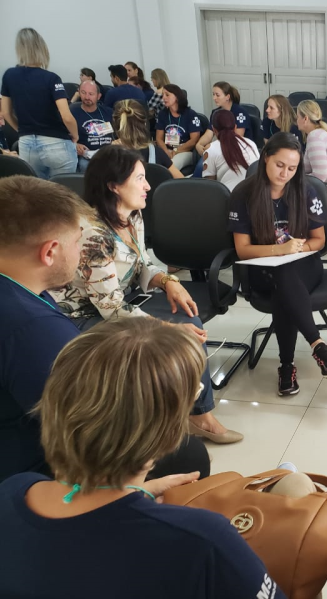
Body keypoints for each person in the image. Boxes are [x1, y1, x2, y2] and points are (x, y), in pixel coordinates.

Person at [0, 317, 327, 599]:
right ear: (167, 434)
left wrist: (138, 493)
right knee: (296, 488)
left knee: (290, 482)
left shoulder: (14, 492)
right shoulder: (203, 541)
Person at [0, 175, 209, 484]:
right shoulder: (35, 329)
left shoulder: (22, 293)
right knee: (188, 454)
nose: (80, 253)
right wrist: (170, 395)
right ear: (50, 252)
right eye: (77, 243)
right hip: (29, 472)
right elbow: (93, 430)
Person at [50, 145, 239, 444]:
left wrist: (168, 281)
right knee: (173, 336)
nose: (148, 185)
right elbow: (110, 309)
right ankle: (171, 420)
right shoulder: (93, 235)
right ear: (113, 186)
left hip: (118, 304)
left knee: (190, 320)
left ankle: (197, 416)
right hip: (83, 317)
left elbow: (142, 263)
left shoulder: (131, 217)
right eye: (139, 178)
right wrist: (164, 328)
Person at [229, 133, 327, 395]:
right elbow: (243, 250)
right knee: (282, 280)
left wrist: (295, 249)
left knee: (284, 280)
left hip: (304, 267)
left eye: (292, 168)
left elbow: (319, 241)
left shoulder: (305, 190)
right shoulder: (243, 194)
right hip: (261, 269)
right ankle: (318, 346)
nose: (285, 173)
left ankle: (287, 366)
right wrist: (278, 250)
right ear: (265, 158)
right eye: (279, 165)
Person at [0, 28, 79, 179]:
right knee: (62, 189)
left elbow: (6, 112)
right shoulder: (51, 78)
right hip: (56, 142)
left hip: (27, 144)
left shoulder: (9, 75)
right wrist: (75, 135)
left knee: (36, 190)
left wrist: (22, 131)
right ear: (42, 48)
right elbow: (66, 116)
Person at [112, 99, 183, 179]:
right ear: (145, 123)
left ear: (115, 126)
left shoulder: (109, 156)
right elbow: (183, 182)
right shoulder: (157, 152)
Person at [202, 109, 259, 192]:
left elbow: (209, 185)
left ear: (214, 129)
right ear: (235, 127)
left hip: (229, 196)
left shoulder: (211, 149)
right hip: (255, 194)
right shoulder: (251, 143)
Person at [70, 80, 114, 172]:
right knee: (86, 166)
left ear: (98, 96)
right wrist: (75, 145)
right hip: (86, 156)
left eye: (91, 94)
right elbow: (65, 137)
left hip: (109, 153)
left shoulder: (109, 112)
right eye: (83, 93)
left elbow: (120, 134)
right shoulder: (72, 113)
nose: (87, 97)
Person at [196, 81, 250, 156]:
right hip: (221, 148)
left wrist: (213, 146)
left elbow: (237, 137)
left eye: (217, 95)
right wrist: (199, 144)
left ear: (227, 97)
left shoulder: (240, 113)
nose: (214, 98)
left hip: (238, 150)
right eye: (213, 94)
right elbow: (209, 133)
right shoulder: (215, 113)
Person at [155, 84, 202, 171]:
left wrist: (176, 151)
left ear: (177, 97)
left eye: (167, 95)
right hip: (167, 149)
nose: (163, 98)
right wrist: (166, 152)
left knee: (172, 166)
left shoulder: (190, 114)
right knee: (154, 165)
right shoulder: (162, 114)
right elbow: (159, 138)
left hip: (184, 151)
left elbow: (194, 140)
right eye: (163, 95)